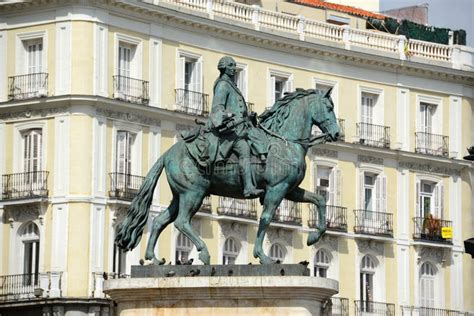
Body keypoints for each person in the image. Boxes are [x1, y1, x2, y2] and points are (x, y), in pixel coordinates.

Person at [210, 56, 267, 198]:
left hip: (242, 128)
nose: (233, 68)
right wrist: (228, 118)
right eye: (230, 65)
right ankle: (248, 187)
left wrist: (248, 117)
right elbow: (217, 108)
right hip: (230, 131)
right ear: (223, 67)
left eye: (234, 65)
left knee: (261, 139)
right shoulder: (223, 85)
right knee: (244, 149)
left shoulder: (232, 85)